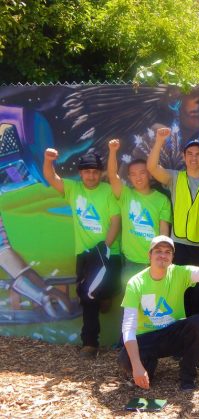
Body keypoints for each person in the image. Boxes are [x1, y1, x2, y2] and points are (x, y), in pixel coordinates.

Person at [117, 233, 199, 391]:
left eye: (168, 252)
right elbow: (128, 327)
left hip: (172, 335)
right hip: (148, 338)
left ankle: (187, 377)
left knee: (198, 323)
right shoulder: (136, 283)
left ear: (173, 256)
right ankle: (148, 365)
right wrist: (137, 366)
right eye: (158, 251)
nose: (163, 255)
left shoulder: (179, 273)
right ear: (149, 255)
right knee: (126, 361)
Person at [43, 149, 121, 358]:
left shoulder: (108, 191)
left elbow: (116, 220)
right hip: (84, 255)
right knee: (87, 295)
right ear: (80, 173)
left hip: (108, 253)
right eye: (86, 172)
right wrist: (48, 160)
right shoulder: (73, 189)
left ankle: (93, 333)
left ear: (101, 173)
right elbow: (51, 176)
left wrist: (105, 246)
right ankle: (91, 338)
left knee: (97, 296)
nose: (91, 176)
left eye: (95, 172)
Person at [146, 126, 199, 317]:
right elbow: (151, 168)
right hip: (179, 246)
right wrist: (159, 140)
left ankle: (195, 338)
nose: (194, 158)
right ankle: (176, 335)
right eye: (189, 153)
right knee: (177, 292)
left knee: (198, 294)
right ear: (183, 156)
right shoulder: (175, 177)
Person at [108, 138, 171, 288]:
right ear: (129, 177)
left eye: (142, 173)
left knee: (154, 306)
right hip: (131, 262)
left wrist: (162, 258)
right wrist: (112, 151)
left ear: (149, 175)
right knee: (131, 306)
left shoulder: (162, 200)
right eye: (133, 174)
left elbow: (163, 232)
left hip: (154, 262)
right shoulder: (125, 195)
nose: (138, 177)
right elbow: (112, 175)